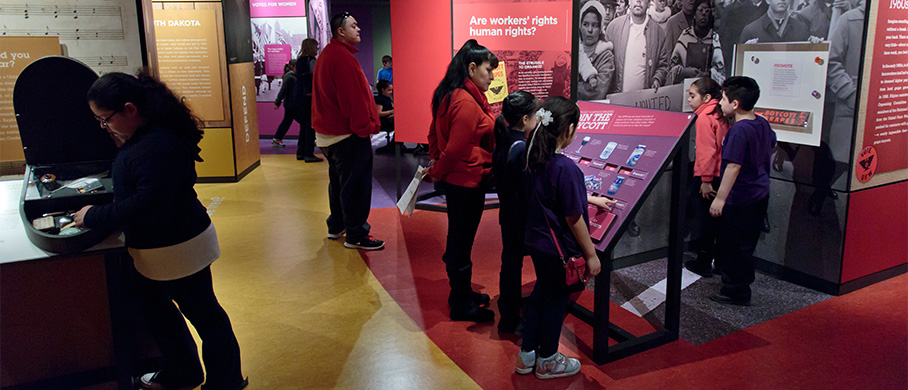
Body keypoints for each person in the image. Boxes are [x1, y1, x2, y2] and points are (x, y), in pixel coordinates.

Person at [73, 72, 247, 390]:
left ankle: (224, 380)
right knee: (169, 311)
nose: (104, 126)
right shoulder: (150, 136)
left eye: (105, 119)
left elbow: (146, 203)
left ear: (130, 110)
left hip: (177, 248)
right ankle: (190, 373)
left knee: (203, 314)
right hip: (172, 246)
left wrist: (93, 215)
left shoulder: (155, 145)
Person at [514, 97, 612, 379]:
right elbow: (573, 217)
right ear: (568, 130)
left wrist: (589, 197)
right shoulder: (566, 168)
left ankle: (527, 356)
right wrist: (591, 254)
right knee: (556, 302)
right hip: (559, 249)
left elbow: (550, 194)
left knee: (540, 296)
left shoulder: (533, 158)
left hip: (537, 242)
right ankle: (547, 360)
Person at [423, 39, 498, 323]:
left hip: (459, 182)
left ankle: (463, 293)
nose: (492, 76)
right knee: (462, 241)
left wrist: (436, 164)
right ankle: (460, 303)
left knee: (459, 238)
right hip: (466, 183)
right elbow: (454, 149)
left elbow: (433, 134)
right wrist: (438, 170)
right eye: (489, 70)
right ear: (472, 68)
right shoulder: (467, 102)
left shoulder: (452, 94)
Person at [312, 12, 384, 250]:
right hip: (347, 135)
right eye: (353, 26)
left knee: (339, 182)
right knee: (356, 185)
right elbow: (352, 100)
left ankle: (338, 225)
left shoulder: (328, 55)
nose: (359, 29)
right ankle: (356, 234)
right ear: (340, 31)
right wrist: (365, 129)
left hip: (330, 136)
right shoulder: (342, 58)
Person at [708, 76, 776, 306]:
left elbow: (733, 166)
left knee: (733, 244)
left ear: (735, 104)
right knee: (746, 244)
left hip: (740, 198)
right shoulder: (762, 123)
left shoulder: (739, 130)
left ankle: (735, 289)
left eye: (724, 99)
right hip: (759, 193)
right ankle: (740, 286)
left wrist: (720, 198)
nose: (720, 104)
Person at [491, 91, 539, 333]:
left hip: (508, 214)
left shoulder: (505, 139)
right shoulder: (521, 148)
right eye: (535, 113)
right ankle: (519, 316)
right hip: (521, 217)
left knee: (510, 263)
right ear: (524, 119)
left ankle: (508, 314)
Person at [684, 77, 730, 277]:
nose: (689, 100)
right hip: (724, 175)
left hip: (709, 176)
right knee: (720, 223)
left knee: (705, 221)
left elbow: (706, 152)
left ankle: (703, 262)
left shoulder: (704, 117)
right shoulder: (722, 114)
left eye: (692, 96)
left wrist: (705, 180)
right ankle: (720, 263)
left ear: (707, 97)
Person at [604, 0, 670, 93]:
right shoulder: (614, 27)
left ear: (649, 3)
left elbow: (663, 65)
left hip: (643, 100)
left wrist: (657, 79)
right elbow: (605, 62)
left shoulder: (658, 33)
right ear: (629, 2)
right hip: (617, 97)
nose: (638, 2)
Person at [668, 0, 726, 84]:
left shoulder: (714, 38)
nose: (704, 14)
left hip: (707, 86)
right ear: (694, 15)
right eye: (700, 10)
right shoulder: (685, 36)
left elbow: (720, 71)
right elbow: (672, 68)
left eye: (707, 11)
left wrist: (707, 74)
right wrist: (685, 71)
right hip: (685, 87)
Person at [578, 1, 616, 101]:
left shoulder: (606, 56)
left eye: (595, 25)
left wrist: (569, 87)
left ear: (600, 29)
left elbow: (598, 91)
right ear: (580, 26)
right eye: (585, 24)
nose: (589, 30)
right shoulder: (573, 50)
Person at [296, 38, 323, 162]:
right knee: (310, 126)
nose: (317, 49)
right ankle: (309, 153)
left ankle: (300, 152)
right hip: (309, 96)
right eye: (316, 46)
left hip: (301, 96)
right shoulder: (311, 61)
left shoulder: (300, 60)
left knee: (304, 126)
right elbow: (317, 75)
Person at [739, 0, 812, 44]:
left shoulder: (801, 29)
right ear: (768, 0)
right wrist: (746, 51)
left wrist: (816, 47)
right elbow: (741, 65)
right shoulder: (751, 31)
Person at [271, 59, 299, 147]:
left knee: (287, 121)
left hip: (291, 104)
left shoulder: (292, 76)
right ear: (292, 67)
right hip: (292, 105)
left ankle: (277, 138)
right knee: (305, 122)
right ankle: (308, 139)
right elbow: (283, 91)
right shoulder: (290, 77)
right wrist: (277, 102)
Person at [374, 79, 406, 153]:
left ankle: (396, 144)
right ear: (382, 89)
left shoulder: (388, 99)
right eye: (389, 90)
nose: (391, 92)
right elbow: (378, 113)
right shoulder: (379, 99)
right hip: (383, 121)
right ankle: (394, 145)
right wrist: (391, 112)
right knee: (401, 125)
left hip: (389, 119)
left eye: (391, 90)